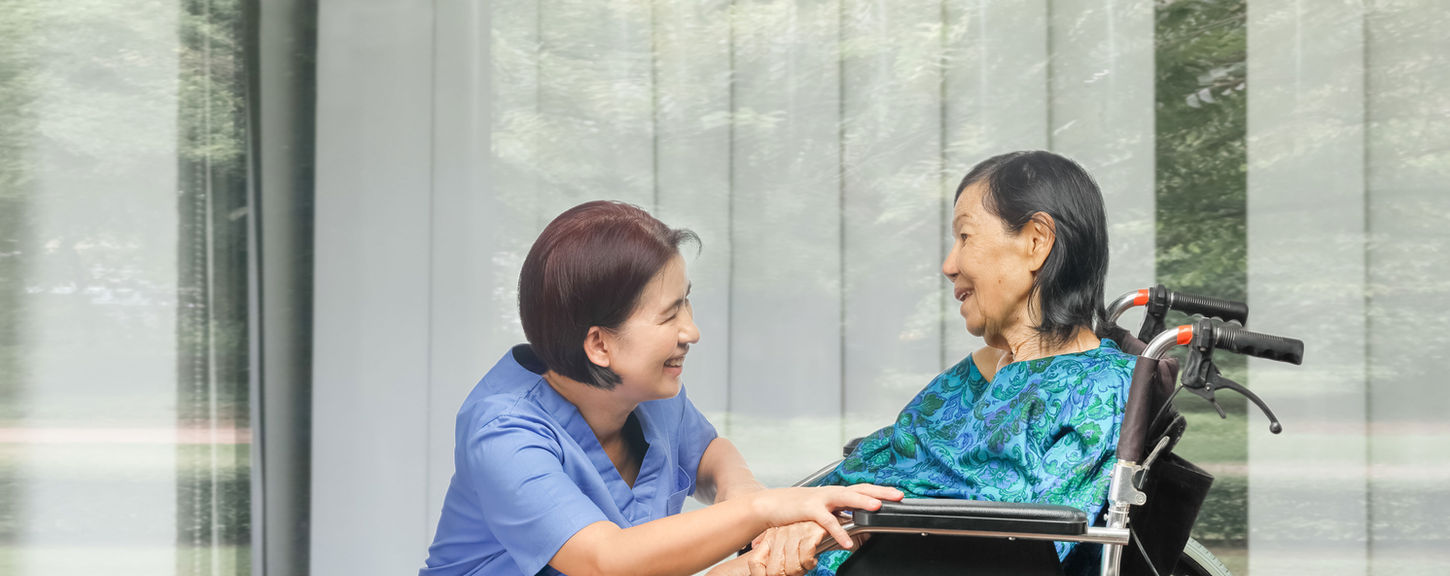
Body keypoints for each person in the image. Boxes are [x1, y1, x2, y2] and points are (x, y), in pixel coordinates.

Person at [419, 200, 902, 576]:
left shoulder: (648, 393)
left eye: (686, 304)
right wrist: (764, 510)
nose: (691, 332)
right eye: (670, 314)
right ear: (599, 344)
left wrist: (741, 492)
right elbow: (605, 562)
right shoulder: (503, 433)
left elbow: (710, 453)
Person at [754, 151, 1137, 576]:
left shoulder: (1101, 388)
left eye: (965, 237)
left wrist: (845, 526)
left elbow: (1026, 546)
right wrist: (797, 515)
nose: (948, 265)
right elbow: (893, 453)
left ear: (1035, 241)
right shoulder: (982, 372)